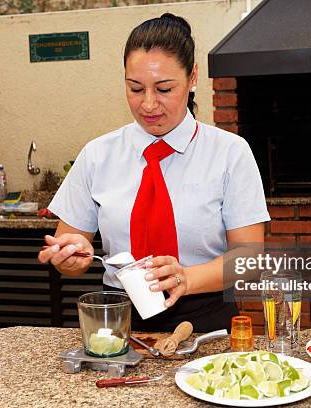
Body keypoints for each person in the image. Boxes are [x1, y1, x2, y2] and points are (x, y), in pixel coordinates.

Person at [38, 13, 269, 332]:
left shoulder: (230, 152)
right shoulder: (97, 154)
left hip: (204, 321)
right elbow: (70, 241)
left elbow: (250, 259)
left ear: (192, 78)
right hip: (118, 322)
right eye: (135, 89)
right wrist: (70, 257)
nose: (148, 104)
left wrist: (186, 278)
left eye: (163, 88)